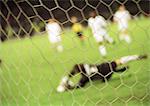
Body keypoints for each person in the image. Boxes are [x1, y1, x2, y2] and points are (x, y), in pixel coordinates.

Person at [57, 54, 148, 92]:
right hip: (103, 71)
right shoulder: (88, 70)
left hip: (103, 73)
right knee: (117, 64)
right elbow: (122, 60)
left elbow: (80, 82)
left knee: (112, 69)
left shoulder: (85, 76)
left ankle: (67, 86)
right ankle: (136, 57)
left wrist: (69, 85)